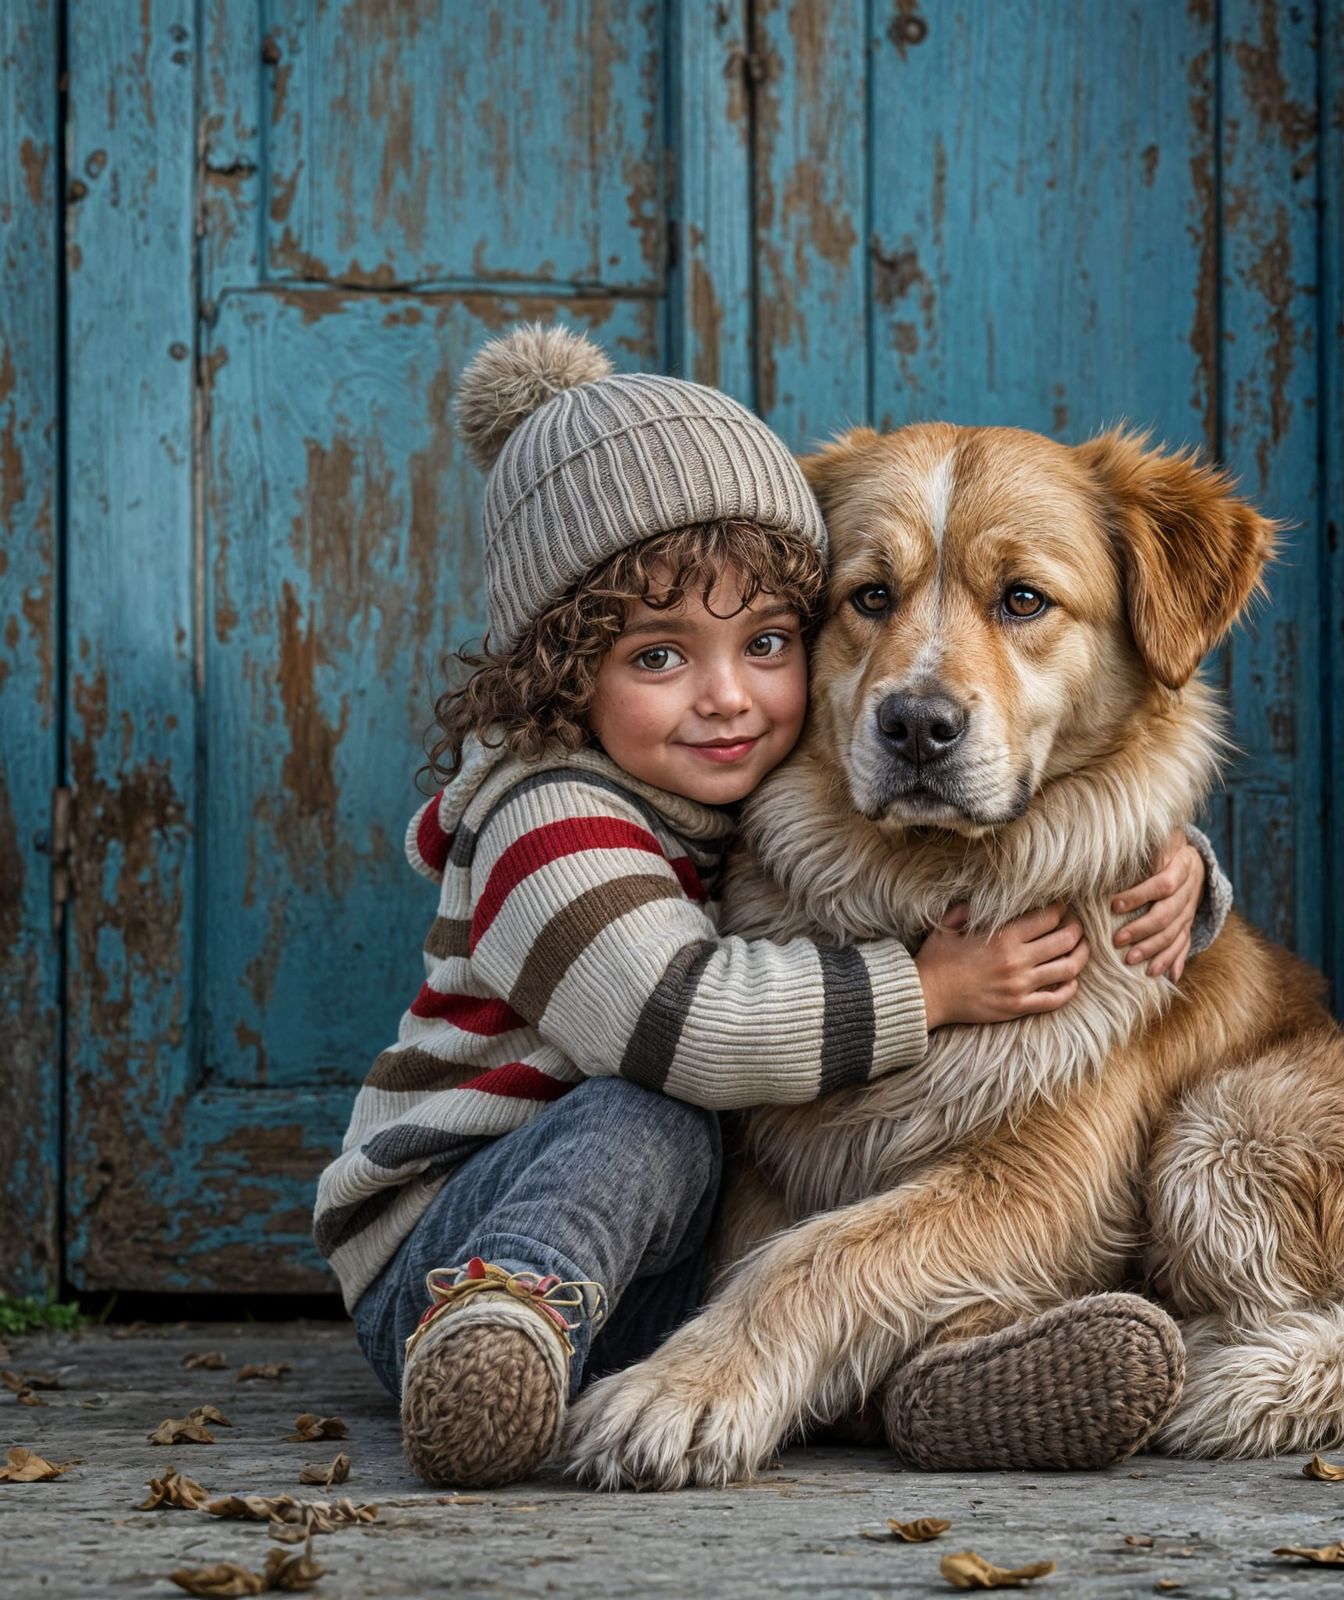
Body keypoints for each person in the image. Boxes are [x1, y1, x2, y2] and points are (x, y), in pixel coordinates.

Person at [313, 323, 1230, 1488]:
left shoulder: (722, 785)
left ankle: (928, 1387)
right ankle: (497, 1334)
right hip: (452, 1240)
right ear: (556, 667)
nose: (920, 692)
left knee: (704, 1161)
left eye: (1020, 600)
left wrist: (1181, 866)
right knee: (652, 1116)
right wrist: (927, 985)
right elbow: (684, 1020)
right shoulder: (553, 818)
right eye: (871, 597)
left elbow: (1111, 781)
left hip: (652, 1269)